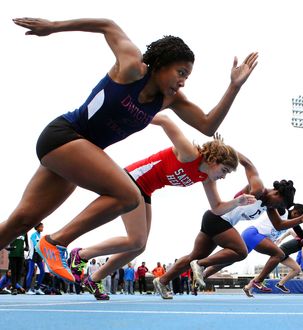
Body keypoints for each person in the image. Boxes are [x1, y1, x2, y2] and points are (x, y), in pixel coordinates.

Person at [0, 17, 258, 283]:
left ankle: (53, 242)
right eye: (181, 73)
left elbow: (207, 125)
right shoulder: (132, 67)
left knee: (21, 220)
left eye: (187, 77)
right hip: (64, 135)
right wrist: (54, 27)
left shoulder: (170, 99)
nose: (183, 82)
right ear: (161, 63)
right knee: (128, 194)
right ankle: (56, 242)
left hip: (76, 154)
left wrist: (234, 87)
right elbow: (108, 26)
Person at [68, 114, 256, 300]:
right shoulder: (189, 153)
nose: (224, 177)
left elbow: (217, 208)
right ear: (214, 161)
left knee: (138, 246)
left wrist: (237, 202)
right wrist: (124, 118)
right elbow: (164, 120)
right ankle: (82, 254)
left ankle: (94, 279)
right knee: (136, 240)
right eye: (224, 171)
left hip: (146, 189)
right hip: (131, 180)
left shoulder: (205, 177)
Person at [153, 153, 303, 299]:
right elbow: (247, 163)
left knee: (193, 256)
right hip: (218, 218)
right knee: (241, 251)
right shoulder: (258, 188)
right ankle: (202, 264)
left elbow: (280, 225)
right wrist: (225, 151)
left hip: (215, 220)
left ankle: (162, 281)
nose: (277, 208)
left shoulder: (268, 205)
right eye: (279, 203)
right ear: (276, 193)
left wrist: (301, 219)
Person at [242, 206, 303, 296]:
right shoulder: (283, 212)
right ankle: (265, 282)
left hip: (271, 246)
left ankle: (248, 287)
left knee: (296, 268)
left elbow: (298, 233)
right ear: (295, 213)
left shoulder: (294, 226)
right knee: (278, 255)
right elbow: (276, 204)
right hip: (255, 234)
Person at [25, 223, 45, 295]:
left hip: (39, 255)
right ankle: (28, 289)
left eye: (43, 226)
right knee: (31, 272)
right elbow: (36, 245)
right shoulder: (33, 235)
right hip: (32, 255)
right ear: (37, 227)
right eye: (41, 226)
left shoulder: (41, 236)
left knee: (42, 271)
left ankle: (37, 288)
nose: (43, 227)